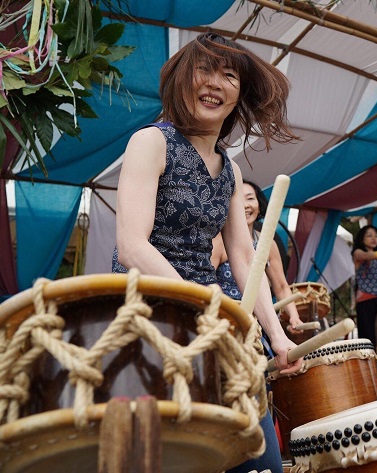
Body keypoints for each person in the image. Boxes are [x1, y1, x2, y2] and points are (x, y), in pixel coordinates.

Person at [112, 32, 301, 473]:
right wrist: (202, 305)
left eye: (228, 74)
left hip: (210, 316)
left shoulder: (231, 170)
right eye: (204, 70)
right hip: (147, 312)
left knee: (256, 459)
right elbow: (132, 244)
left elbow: (244, 256)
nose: (215, 82)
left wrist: (276, 338)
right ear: (183, 80)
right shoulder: (151, 142)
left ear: (239, 95)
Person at [211, 180, 305, 333]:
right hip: (226, 324)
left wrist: (294, 316)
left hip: (260, 325)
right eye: (239, 200)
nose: (245, 205)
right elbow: (206, 283)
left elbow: (281, 287)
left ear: (259, 204)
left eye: (250, 198)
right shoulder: (219, 242)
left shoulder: (266, 243)